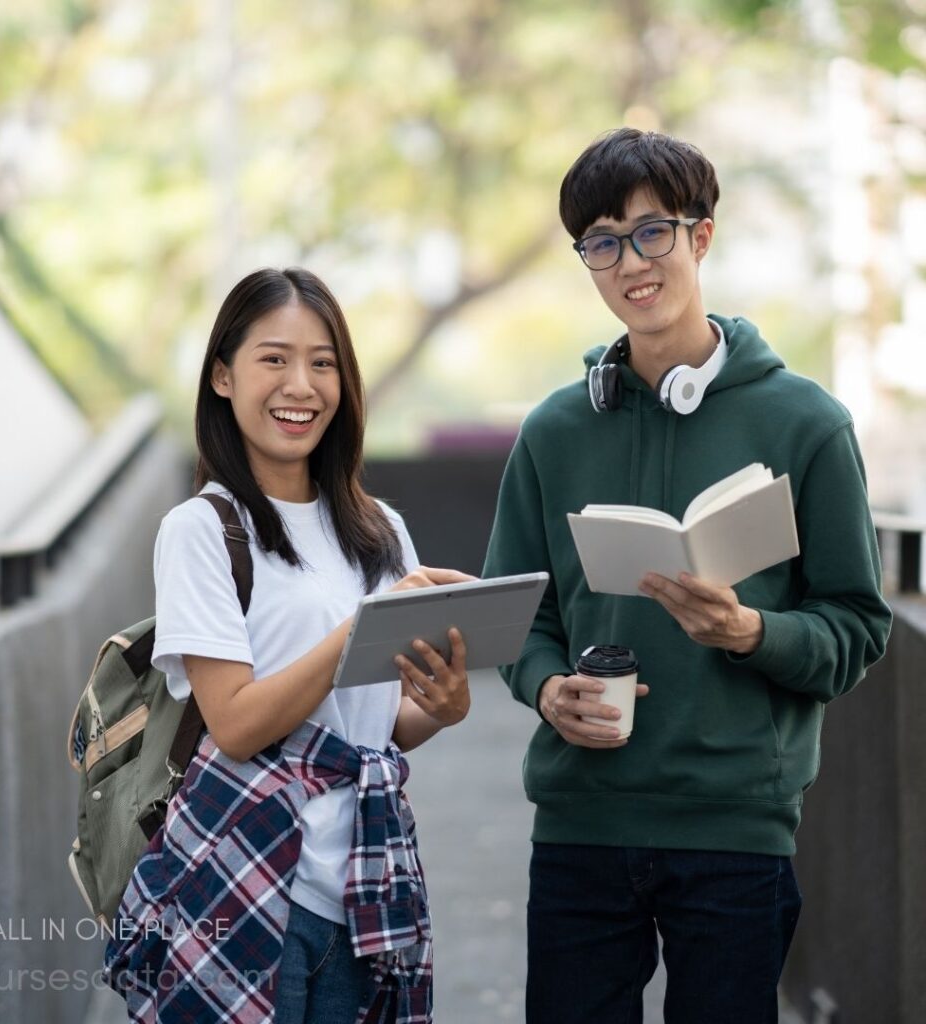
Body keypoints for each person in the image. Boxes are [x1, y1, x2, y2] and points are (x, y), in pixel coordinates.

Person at [482, 128, 892, 1024]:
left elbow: (859, 629)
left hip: (735, 830)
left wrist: (751, 632)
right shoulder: (553, 432)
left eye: (651, 231)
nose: (629, 260)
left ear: (701, 237)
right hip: (582, 823)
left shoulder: (807, 424)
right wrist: (548, 687)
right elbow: (517, 613)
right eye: (601, 241)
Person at [104, 267, 473, 1024]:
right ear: (222, 376)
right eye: (274, 359)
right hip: (252, 883)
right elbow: (235, 722)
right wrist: (362, 628)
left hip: (368, 888)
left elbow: (381, 720)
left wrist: (441, 707)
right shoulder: (202, 531)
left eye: (323, 362)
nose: (300, 385)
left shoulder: (380, 531)